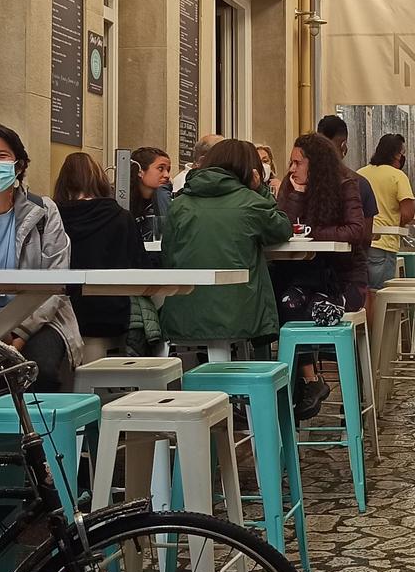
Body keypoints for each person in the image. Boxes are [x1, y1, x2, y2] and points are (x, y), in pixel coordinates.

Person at [0, 121, 81, 391]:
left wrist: (19, 334)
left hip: (41, 319)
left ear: (18, 165)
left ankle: (42, 433)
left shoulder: (44, 211)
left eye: (2, 155)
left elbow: (58, 279)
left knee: (39, 370)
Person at [158, 138, 293, 350]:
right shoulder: (250, 201)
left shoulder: (180, 203)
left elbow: (167, 256)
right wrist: (261, 191)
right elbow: (282, 229)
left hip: (182, 314)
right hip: (238, 315)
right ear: (249, 169)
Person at [276, 132, 371, 415]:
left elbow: (357, 231)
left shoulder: (345, 186)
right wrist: (296, 195)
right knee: (284, 299)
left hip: (343, 280)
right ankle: (307, 381)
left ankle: (309, 384)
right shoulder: (291, 187)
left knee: (293, 305)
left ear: (315, 164)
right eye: (291, 163)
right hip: (305, 276)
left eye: (297, 163)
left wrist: (314, 232)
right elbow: (282, 224)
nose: (292, 169)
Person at [53, 151, 149, 356]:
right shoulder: (121, 217)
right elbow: (139, 266)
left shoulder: (54, 219)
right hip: (110, 312)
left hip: (62, 314)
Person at [360, 132, 415, 291]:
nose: (402, 158)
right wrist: (393, 221)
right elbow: (408, 213)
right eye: (402, 153)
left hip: (361, 244)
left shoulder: (360, 173)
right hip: (384, 245)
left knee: (364, 295)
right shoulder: (397, 176)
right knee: (380, 295)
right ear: (395, 155)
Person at [319, 113, 381, 230]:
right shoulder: (360, 184)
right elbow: (365, 236)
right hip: (352, 247)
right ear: (343, 146)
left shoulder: (301, 182)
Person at [128, 145, 173, 237]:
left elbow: (168, 233)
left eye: (168, 170)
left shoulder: (165, 198)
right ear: (140, 171)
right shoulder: (122, 199)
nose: (167, 175)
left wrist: (162, 194)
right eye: (160, 168)